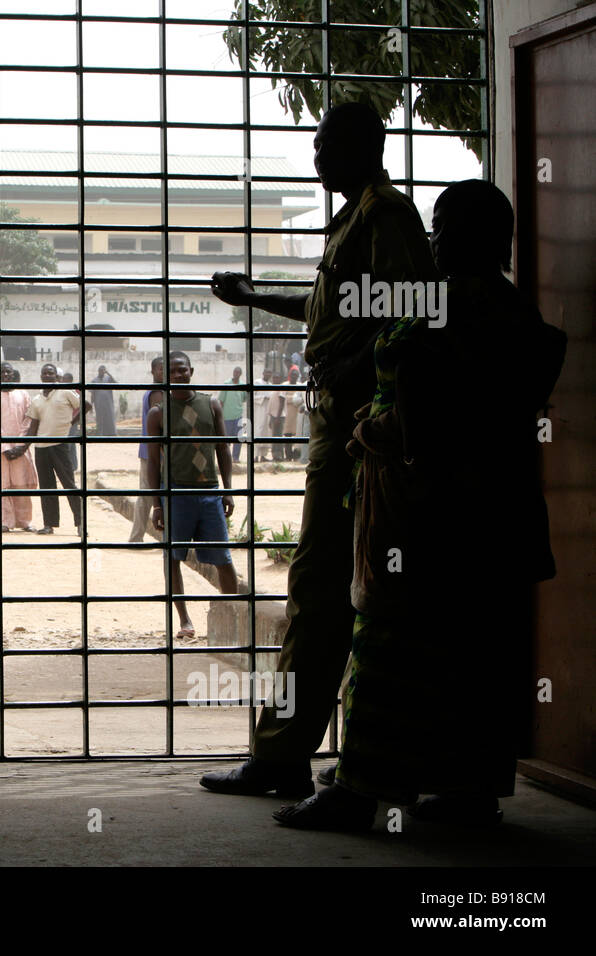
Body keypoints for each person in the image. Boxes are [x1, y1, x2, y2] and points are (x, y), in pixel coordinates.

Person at [273, 180, 566, 830]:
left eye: (441, 227)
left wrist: (374, 431)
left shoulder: (447, 310)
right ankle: (464, 791)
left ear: (468, 235)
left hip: (425, 517)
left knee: (390, 646)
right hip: (494, 516)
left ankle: (362, 789)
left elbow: (431, 411)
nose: (432, 239)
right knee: (478, 654)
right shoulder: (511, 310)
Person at [203, 101, 440, 798]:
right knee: (321, 589)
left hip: (359, 432)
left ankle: (289, 757)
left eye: (328, 142)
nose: (317, 155)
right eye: (316, 143)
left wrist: (355, 366)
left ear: (367, 147)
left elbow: (414, 310)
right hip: (339, 427)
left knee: (326, 588)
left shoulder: (386, 218)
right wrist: (253, 298)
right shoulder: (354, 225)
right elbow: (333, 310)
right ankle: (284, 753)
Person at [146, 351, 240, 640]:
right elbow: (153, 461)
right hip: (176, 494)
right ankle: (185, 620)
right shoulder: (158, 413)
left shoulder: (211, 404)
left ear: (191, 371)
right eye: (172, 371)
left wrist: (228, 490)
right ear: (163, 375)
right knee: (173, 559)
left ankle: (231, 616)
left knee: (223, 558)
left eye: (182, 370)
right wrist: (157, 503)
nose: (178, 375)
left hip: (209, 492)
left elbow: (223, 449)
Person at [9, 363, 82, 535]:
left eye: (51, 373)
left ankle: (80, 522)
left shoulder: (65, 392)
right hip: (41, 448)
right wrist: (21, 449)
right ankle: (49, 524)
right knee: (47, 487)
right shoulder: (37, 400)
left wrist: (70, 423)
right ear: (41, 377)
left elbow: (84, 406)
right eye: (45, 373)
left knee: (69, 484)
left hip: (60, 446)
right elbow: (32, 429)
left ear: (56, 376)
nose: (48, 376)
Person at [0, 363, 37, 532]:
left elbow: (28, 421)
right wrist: (6, 447)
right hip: (1, 450)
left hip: (20, 449)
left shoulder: (23, 394)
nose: (6, 374)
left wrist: (20, 446)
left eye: (8, 371)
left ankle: (25, 521)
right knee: (3, 483)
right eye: (2, 372)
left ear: (13, 374)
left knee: (22, 483)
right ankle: (6, 522)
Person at [129, 356, 168, 542]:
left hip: (149, 450)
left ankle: (137, 537)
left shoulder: (153, 391)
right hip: (156, 452)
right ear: (153, 371)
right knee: (149, 495)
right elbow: (160, 424)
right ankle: (137, 538)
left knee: (146, 494)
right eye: (161, 369)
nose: (164, 372)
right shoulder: (158, 393)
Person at [220, 366, 247, 463]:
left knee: (239, 438)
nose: (236, 374)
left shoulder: (243, 385)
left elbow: (244, 398)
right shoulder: (226, 384)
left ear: (240, 374)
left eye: (238, 372)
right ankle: (226, 458)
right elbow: (221, 401)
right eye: (235, 372)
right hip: (227, 416)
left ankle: (235, 457)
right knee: (227, 439)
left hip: (238, 415)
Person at [283, 366, 305, 461]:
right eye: (292, 375)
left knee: (298, 435)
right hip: (288, 414)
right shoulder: (284, 385)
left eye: (296, 375)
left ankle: (296, 456)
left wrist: (292, 399)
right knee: (287, 435)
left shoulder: (300, 385)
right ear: (289, 375)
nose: (294, 377)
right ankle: (288, 456)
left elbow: (302, 398)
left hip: (298, 414)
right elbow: (284, 397)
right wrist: (294, 399)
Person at [92, 365, 118, 436]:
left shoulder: (108, 379)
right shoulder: (94, 381)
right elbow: (93, 394)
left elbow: (116, 383)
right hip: (99, 404)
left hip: (108, 403)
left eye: (104, 371)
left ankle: (112, 433)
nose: (102, 372)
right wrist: (92, 404)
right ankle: (100, 434)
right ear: (98, 371)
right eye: (101, 371)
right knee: (100, 419)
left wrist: (108, 373)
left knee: (110, 418)